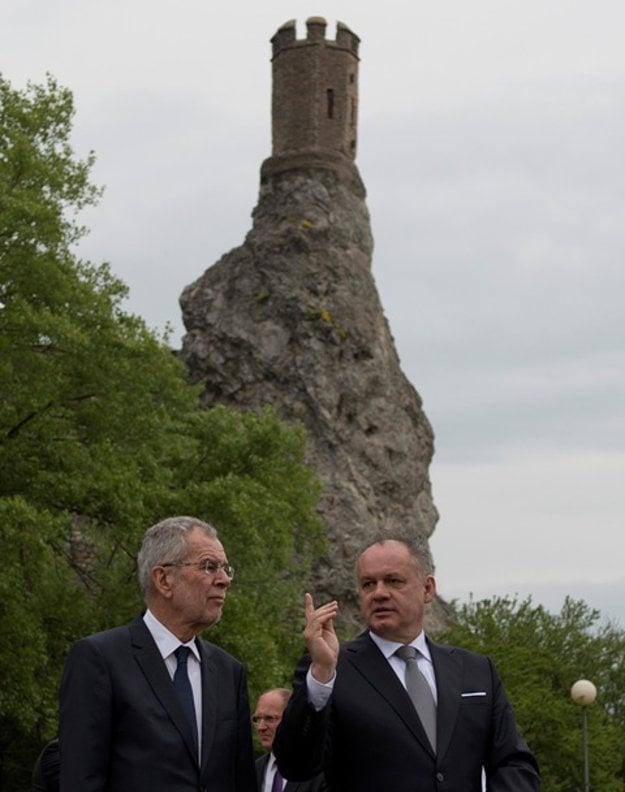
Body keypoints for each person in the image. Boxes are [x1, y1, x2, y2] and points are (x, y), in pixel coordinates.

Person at [273, 532, 541, 792]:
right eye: (368, 584)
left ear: (427, 588)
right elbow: (296, 766)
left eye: (393, 581)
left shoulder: (476, 671)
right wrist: (321, 674)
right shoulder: (331, 669)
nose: (379, 593)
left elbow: (514, 763)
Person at [58, 515, 257, 791]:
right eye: (209, 566)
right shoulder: (100, 660)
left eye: (226, 569)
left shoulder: (228, 672)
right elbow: (81, 780)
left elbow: (241, 780)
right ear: (164, 580)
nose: (224, 580)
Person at [254, 688, 326, 792]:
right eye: (257, 719)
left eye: (269, 718)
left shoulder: (319, 770)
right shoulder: (253, 770)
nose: (261, 727)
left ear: (291, 718)